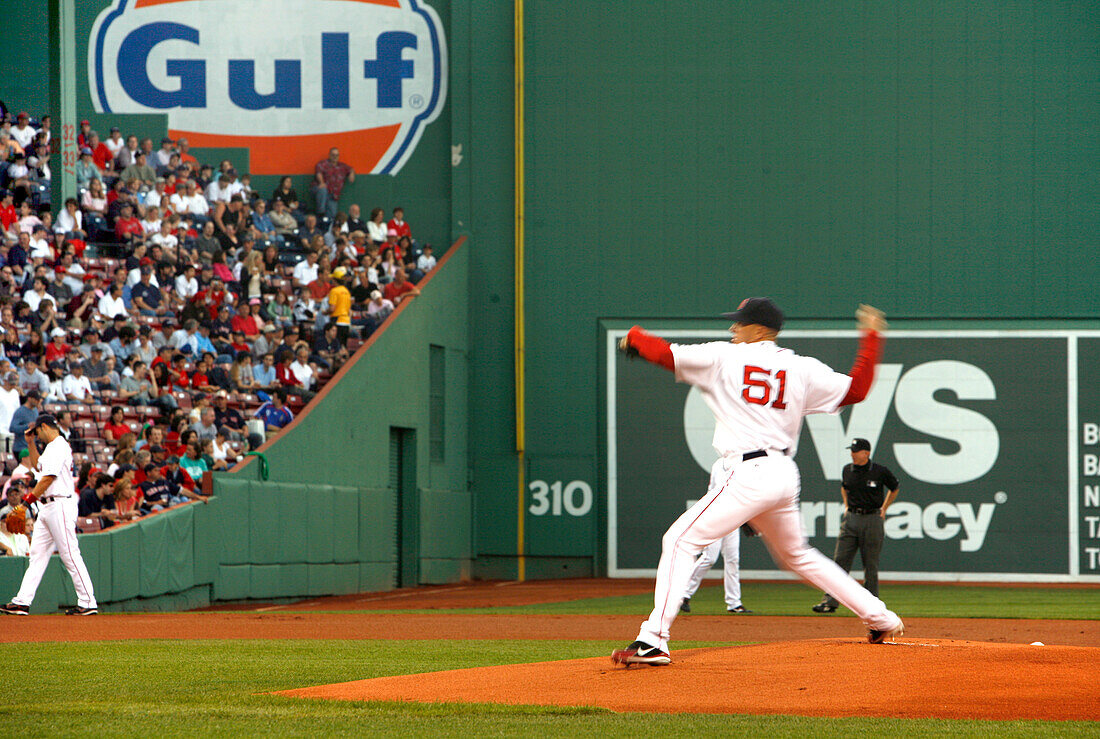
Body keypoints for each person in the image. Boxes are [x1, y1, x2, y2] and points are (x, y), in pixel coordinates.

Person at [609, 299, 903, 666]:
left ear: (760, 330)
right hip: (782, 474)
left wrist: (634, 337)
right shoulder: (801, 368)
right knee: (799, 556)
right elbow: (857, 390)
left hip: (748, 472)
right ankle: (881, 617)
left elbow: (664, 353)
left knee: (680, 540)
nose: (733, 329)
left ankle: (653, 639)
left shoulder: (724, 358)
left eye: (740, 323)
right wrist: (871, 338)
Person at [1, 414, 98, 615]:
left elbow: (48, 479)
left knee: (70, 554)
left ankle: (88, 601)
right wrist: (30, 443)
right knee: (37, 555)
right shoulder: (51, 448)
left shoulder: (59, 446)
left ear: (44, 426)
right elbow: (39, 468)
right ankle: (22, 601)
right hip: (47, 507)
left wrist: (26, 503)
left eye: (37, 432)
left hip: (60, 503)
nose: (37, 436)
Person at [811, 438, 901, 614]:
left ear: (866, 453)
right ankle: (829, 601)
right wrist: (846, 505)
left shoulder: (879, 471)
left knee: (870, 566)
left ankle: (873, 605)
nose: (852, 453)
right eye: (851, 450)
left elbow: (895, 487)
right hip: (851, 518)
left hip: (872, 519)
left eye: (856, 450)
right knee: (839, 562)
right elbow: (844, 487)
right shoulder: (847, 470)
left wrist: (884, 508)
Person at [679, 530, 751, 615]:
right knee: (709, 559)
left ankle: (734, 604)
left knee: (732, 561)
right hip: (716, 521)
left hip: (733, 524)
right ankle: (683, 594)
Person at [313, 147, 355, 219]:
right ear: (329, 155)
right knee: (323, 190)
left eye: (337, 155)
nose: (335, 157)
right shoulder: (323, 164)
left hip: (333, 196)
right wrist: (322, 182)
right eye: (333, 155)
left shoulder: (342, 166)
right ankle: (320, 212)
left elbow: (351, 169)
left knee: (332, 216)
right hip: (322, 191)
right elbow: (318, 172)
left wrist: (351, 173)